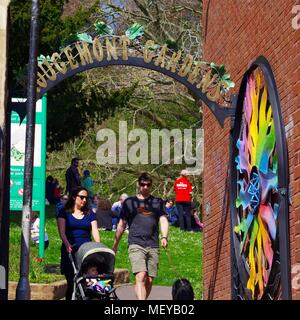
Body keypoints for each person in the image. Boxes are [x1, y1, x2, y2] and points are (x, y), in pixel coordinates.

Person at [112, 172, 169, 300]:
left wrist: (164, 237)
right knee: (141, 275)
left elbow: (163, 220)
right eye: (143, 184)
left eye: (148, 185)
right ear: (138, 184)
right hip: (136, 243)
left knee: (149, 279)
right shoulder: (129, 202)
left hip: (153, 244)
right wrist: (115, 245)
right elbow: (121, 224)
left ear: (151, 185)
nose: (145, 187)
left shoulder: (157, 202)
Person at [56, 186, 100, 300]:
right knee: (72, 282)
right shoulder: (64, 212)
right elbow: (62, 232)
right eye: (82, 197)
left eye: (86, 198)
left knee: (87, 280)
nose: (84, 200)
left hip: (86, 251)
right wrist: (67, 244)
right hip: (70, 250)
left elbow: (95, 230)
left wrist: (98, 245)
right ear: (74, 197)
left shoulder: (90, 213)